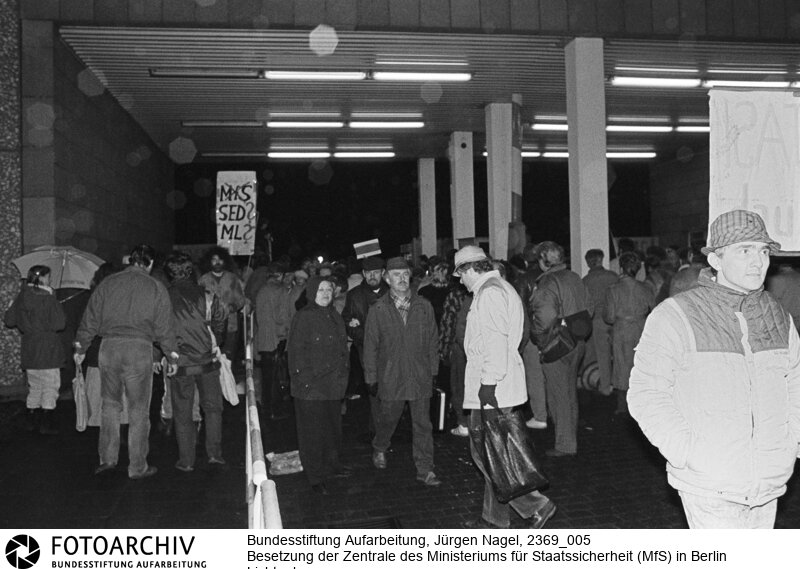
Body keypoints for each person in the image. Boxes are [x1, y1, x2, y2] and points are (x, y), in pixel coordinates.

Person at [629, 210, 800, 529]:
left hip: (769, 483)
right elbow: (646, 394)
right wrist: (688, 452)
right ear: (716, 261)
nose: (757, 261)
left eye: (763, 251)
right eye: (744, 250)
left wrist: (791, 443)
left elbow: (796, 385)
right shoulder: (677, 314)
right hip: (710, 487)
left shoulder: (778, 317)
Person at [454, 245, 557, 529]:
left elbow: (495, 344)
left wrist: (487, 385)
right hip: (498, 384)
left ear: (470, 270)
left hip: (493, 387)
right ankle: (494, 519)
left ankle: (537, 505)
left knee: (487, 455)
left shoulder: (490, 294)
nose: (459, 281)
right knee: (494, 452)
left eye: (460, 275)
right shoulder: (499, 288)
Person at [74, 244, 179, 479]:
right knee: (138, 410)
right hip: (139, 349)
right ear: (150, 263)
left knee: (110, 406)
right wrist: (171, 354)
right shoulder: (155, 286)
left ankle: (107, 459)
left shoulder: (108, 283)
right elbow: (164, 326)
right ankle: (137, 466)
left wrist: (81, 346)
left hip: (108, 348)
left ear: (130, 260)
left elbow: (90, 317)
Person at [363, 256, 441, 486]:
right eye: (396, 275)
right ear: (387, 278)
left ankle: (425, 468)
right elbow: (370, 347)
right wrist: (371, 377)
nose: (402, 279)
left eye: (405, 274)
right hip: (391, 376)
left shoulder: (423, 306)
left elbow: (432, 341)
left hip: (419, 375)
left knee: (422, 424)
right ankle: (380, 445)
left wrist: (433, 370)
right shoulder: (378, 310)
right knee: (388, 418)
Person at [163, 252, 227, 472]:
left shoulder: (163, 297)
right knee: (213, 409)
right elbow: (220, 320)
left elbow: (158, 329)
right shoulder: (207, 295)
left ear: (169, 273)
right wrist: (214, 341)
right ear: (190, 271)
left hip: (179, 363)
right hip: (207, 362)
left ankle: (186, 461)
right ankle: (215, 454)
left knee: (182, 413)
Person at [287, 277, 351, 495]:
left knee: (333, 430)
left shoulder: (334, 315)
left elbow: (343, 350)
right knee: (312, 434)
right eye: (320, 290)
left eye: (329, 290)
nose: (325, 293)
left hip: (333, 387)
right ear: (312, 292)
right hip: (311, 388)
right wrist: (304, 383)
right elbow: (295, 354)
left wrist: (344, 378)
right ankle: (315, 476)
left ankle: (332, 466)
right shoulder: (303, 317)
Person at [530, 241, 590, 457]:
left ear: (544, 261)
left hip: (556, 344)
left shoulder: (547, 283)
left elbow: (543, 319)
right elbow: (587, 306)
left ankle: (565, 444)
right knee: (569, 392)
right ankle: (569, 436)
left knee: (558, 396)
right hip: (577, 341)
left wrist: (538, 340)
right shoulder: (574, 277)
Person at [4, 265, 66, 435]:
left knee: (35, 386)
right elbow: (60, 324)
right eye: (48, 277)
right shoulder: (49, 297)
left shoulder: (22, 296)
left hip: (29, 348)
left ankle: (31, 420)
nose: (50, 280)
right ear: (42, 278)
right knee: (50, 386)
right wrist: (56, 303)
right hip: (48, 348)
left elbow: (9, 321)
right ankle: (46, 423)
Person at [342, 256, 389, 434]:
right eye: (369, 273)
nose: (372, 276)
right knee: (373, 387)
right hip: (365, 349)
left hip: (390, 349)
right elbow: (346, 320)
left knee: (390, 386)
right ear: (363, 274)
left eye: (376, 272)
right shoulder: (354, 296)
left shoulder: (392, 293)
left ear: (382, 273)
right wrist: (364, 336)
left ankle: (387, 424)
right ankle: (378, 428)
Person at [603, 252, 654, 415]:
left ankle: (622, 406)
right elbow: (654, 310)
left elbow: (609, 317)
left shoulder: (613, 290)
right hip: (641, 328)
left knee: (621, 367)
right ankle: (643, 401)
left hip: (622, 330)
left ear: (621, 267)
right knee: (641, 365)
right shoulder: (646, 288)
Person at [254, 263, 292, 420]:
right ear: (280, 275)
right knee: (275, 378)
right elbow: (282, 317)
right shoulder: (281, 290)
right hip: (276, 339)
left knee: (267, 378)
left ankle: (266, 409)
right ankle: (272, 411)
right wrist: (285, 336)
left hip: (263, 339)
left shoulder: (262, 290)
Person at [198, 246, 246, 361]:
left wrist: (232, 307)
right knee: (212, 359)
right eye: (214, 259)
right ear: (209, 262)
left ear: (225, 261)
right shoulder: (203, 280)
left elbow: (241, 299)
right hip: (210, 327)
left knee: (228, 358)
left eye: (220, 259)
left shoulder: (232, 278)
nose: (217, 262)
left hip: (230, 326)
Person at [582, 248, 618, 396]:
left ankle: (604, 387)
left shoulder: (585, 281)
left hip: (597, 321)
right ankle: (619, 383)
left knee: (602, 355)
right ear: (601, 259)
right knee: (617, 354)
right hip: (615, 320)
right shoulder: (613, 276)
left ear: (588, 263)